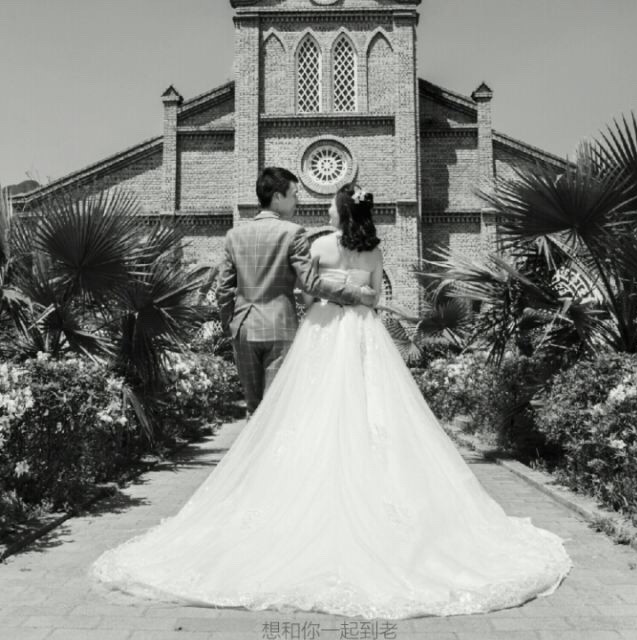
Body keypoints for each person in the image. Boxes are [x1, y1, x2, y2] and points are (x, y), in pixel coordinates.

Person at [90, 184, 572, 619]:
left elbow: (306, 288)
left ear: (341, 212)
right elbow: (375, 298)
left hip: (320, 329)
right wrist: (357, 294)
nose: (320, 209)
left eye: (330, 206)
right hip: (362, 332)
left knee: (298, 411)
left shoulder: (318, 244)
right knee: (369, 407)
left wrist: (325, 301)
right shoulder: (375, 250)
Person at [216, 167, 375, 416]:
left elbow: (223, 289)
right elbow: (311, 284)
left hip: (244, 329)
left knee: (254, 409)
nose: (297, 200)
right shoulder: (293, 233)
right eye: (294, 194)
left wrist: (231, 324)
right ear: (277, 197)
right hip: (280, 328)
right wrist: (356, 294)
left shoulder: (234, 236)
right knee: (276, 410)